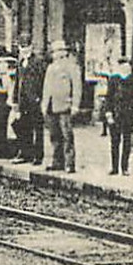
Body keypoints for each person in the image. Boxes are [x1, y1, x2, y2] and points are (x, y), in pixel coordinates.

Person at [41, 39, 83, 173]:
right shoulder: (51, 67)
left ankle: (69, 163)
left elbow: (77, 87)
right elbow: (46, 87)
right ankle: (57, 161)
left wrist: (75, 105)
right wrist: (44, 104)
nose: (56, 55)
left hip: (65, 105)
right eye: (54, 52)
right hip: (51, 106)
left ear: (64, 52)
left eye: (59, 51)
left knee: (67, 135)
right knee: (54, 135)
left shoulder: (71, 66)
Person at [102, 53, 133, 176]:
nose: (125, 68)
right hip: (115, 114)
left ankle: (125, 167)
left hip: (128, 115)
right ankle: (114, 167)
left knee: (127, 141)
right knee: (114, 141)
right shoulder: (114, 80)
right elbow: (108, 98)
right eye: (123, 66)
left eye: (127, 66)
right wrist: (108, 113)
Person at [12, 38, 46, 165]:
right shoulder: (20, 63)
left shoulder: (38, 62)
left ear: (31, 47)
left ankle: (38, 156)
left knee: (38, 128)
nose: (24, 50)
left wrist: (40, 98)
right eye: (21, 47)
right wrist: (15, 100)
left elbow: (43, 81)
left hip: (35, 101)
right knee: (22, 126)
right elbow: (17, 83)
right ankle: (26, 153)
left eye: (26, 47)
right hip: (23, 101)